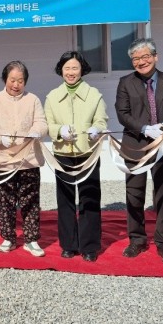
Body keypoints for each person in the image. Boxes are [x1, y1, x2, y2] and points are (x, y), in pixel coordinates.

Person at [115, 38, 163, 266]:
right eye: (136, 58)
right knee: (134, 195)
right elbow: (123, 114)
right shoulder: (125, 82)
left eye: (145, 56)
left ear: (156, 57)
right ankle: (137, 240)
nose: (141, 61)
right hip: (136, 145)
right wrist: (144, 128)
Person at [44, 51, 108, 262]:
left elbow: (101, 120)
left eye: (75, 68)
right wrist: (58, 130)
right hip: (63, 154)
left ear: (82, 70)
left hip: (87, 153)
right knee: (65, 200)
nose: (71, 72)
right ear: (61, 70)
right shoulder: (52, 97)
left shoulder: (94, 95)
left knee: (90, 198)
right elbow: (48, 124)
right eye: (67, 68)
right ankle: (68, 244)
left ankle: (89, 246)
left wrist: (96, 129)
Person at [0, 61, 48, 257]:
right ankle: (8, 238)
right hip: (4, 159)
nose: (16, 85)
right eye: (12, 80)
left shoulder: (33, 99)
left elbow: (41, 122)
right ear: (5, 79)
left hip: (28, 159)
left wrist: (35, 132)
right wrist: (0, 138)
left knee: (30, 200)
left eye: (20, 80)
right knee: (5, 201)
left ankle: (31, 239)